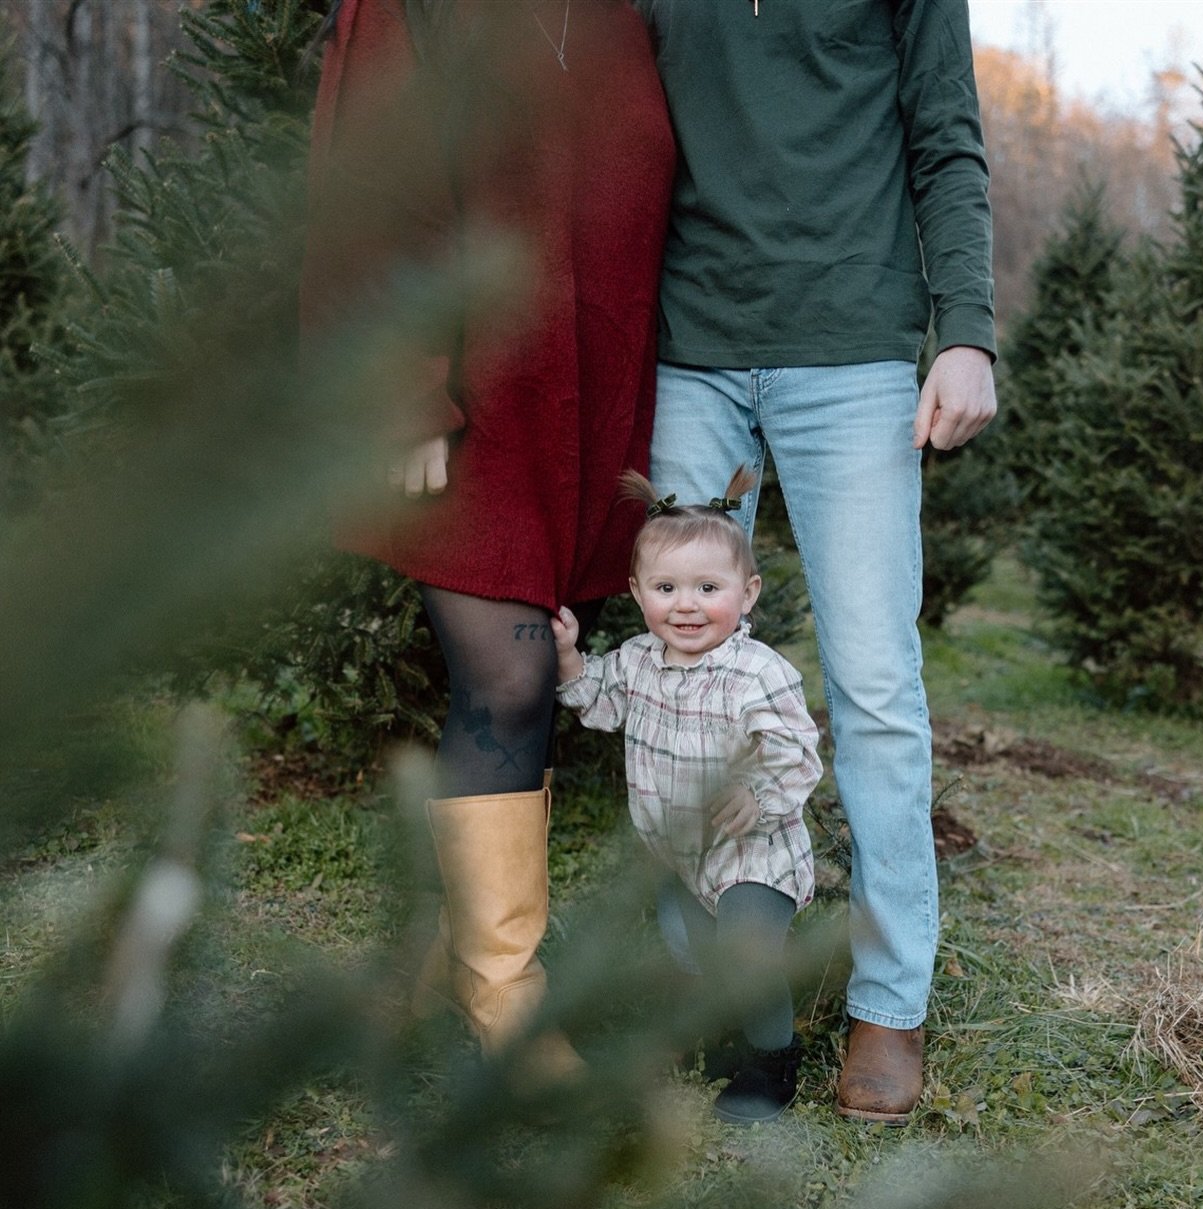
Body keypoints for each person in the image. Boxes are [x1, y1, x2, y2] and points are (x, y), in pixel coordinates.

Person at [635, 0, 998, 1122]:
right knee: (677, 672)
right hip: (691, 342)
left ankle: (890, 1003)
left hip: (852, 347)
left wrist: (969, 328)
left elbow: (945, 134)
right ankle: (706, 982)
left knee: (875, 683)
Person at [302, 0, 674, 1071]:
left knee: (538, 670)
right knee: (507, 682)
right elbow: (370, 182)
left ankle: (444, 961)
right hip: (474, 393)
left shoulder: (625, 15)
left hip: (591, 402)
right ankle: (503, 1002)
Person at [550, 468, 823, 1122]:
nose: (687, 605)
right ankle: (719, 1036)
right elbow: (597, 701)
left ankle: (772, 1066)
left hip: (754, 854)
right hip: (680, 854)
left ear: (747, 592)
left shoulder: (758, 672)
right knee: (694, 954)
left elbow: (798, 750)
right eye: (667, 588)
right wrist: (567, 660)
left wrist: (758, 794)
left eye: (709, 588)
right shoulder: (638, 660)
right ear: (638, 592)